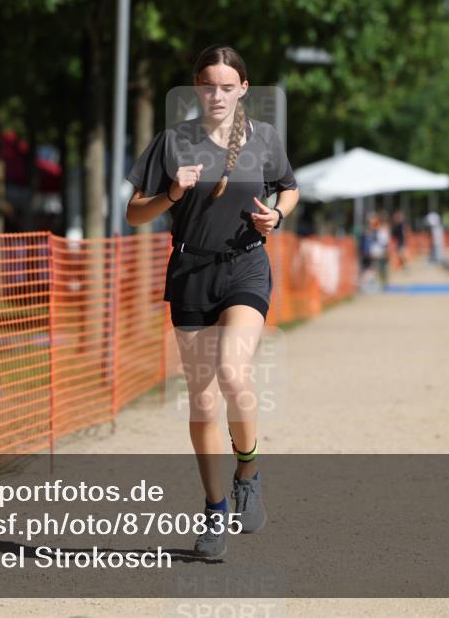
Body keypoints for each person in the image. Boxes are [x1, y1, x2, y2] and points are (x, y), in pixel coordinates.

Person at [125, 44, 300, 558]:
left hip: (245, 265)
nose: (217, 94)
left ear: (243, 88)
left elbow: (288, 188)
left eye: (227, 86)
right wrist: (172, 195)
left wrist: (277, 214)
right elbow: (135, 214)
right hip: (190, 272)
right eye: (208, 84)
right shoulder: (172, 142)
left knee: (232, 371)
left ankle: (248, 469)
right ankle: (216, 507)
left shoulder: (264, 138)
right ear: (195, 87)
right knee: (201, 400)